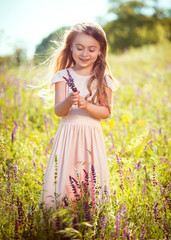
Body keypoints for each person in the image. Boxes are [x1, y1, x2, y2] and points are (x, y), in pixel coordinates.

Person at [39, 22, 119, 209]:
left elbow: (106, 112)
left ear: (100, 51)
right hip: (68, 135)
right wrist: (69, 100)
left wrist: (87, 105)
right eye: (80, 48)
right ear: (71, 48)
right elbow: (59, 111)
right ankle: (61, 215)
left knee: (89, 176)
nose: (85, 54)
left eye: (91, 49)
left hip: (91, 136)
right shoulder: (62, 76)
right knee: (66, 175)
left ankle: (89, 215)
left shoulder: (104, 79)